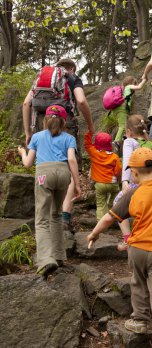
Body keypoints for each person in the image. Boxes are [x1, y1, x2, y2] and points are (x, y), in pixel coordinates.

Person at [87, 147, 152, 348]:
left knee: (138, 284)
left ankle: (140, 320)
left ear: (133, 172)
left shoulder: (132, 192)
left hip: (137, 250)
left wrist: (94, 234)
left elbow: (108, 217)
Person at [23, 58, 94, 229]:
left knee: (45, 162)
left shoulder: (41, 79)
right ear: (71, 68)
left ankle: (46, 215)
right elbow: (81, 101)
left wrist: (28, 132)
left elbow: (26, 103)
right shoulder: (71, 77)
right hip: (65, 122)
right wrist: (91, 126)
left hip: (42, 121)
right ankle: (64, 217)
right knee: (67, 168)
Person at [18, 105, 81, 279]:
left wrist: (23, 152)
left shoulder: (37, 137)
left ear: (45, 120)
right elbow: (71, 160)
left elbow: (28, 164)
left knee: (42, 218)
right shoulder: (69, 138)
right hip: (63, 174)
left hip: (43, 175)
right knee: (57, 214)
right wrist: (77, 183)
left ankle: (46, 259)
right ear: (63, 122)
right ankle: (59, 256)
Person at [114, 114, 149, 250]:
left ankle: (128, 239)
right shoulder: (151, 143)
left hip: (135, 182)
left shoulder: (129, 142)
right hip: (150, 182)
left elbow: (127, 162)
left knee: (117, 204)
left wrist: (124, 181)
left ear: (128, 131)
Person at [84, 131, 122, 221]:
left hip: (100, 184)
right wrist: (118, 179)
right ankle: (111, 211)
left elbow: (87, 144)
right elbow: (118, 170)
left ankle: (101, 222)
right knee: (114, 199)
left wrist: (89, 132)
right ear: (109, 144)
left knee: (100, 204)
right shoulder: (114, 157)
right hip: (113, 183)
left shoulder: (94, 153)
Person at [109, 75, 146, 149]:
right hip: (121, 109)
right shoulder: (128, 87)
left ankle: (125, 137)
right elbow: (139, 87)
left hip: (117, 110)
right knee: (122, 126)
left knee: (126, 124)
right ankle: (116, 142)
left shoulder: (123, 89)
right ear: (131, 83)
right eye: (134, 83)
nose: (134, 85)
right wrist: (144, 80)